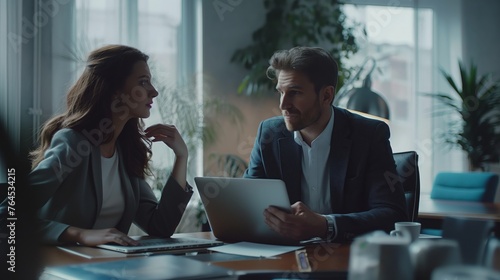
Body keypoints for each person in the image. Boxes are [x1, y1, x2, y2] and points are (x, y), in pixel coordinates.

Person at [19, 45, 192, 246]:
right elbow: (10, 214)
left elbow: (161, 226)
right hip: (59, 267)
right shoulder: (73, 144)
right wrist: (79, 235)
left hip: (109, 267)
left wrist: (182, 157)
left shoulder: (127, 151)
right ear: (115, 91)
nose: (154, 92)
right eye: (143, 82)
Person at [244, 46, 408, 243]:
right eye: (281, 92)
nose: (283, 104)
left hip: (347, 258)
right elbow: (248, 205)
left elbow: (392, 215)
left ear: (326, 96)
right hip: (285, 258)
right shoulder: (269, 134)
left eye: (295, 92)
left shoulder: (369, 135)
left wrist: (325, 225)